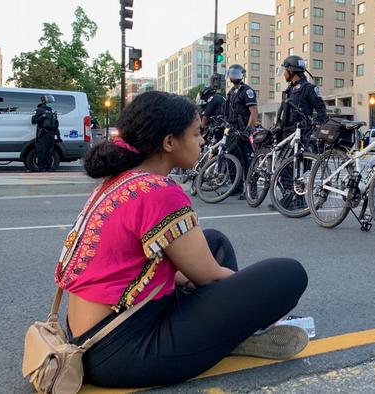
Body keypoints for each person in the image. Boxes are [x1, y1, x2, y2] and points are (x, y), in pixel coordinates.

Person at [56, 91, 309, 388]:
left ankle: (224, 336)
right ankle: (233, 335)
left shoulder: (122, 180)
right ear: (169, 142)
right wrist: (253, 304)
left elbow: (130, 265)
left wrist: (203, 287)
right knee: (287, 275)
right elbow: (212, 278)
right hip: (122, 350)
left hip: (95, 332)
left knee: (214, 243)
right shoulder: (159, 191)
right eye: (196, 133)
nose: (202, 141)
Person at [274, 55, 328, 210]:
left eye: (285, 70)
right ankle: (288, 194)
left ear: (291, 71)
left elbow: (321, 109)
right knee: (282, 166)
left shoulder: (309, 88)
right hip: (286, 132)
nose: (283, 73)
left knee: (298, 167)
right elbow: (283, 111)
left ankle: (297, 198)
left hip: (302, 133)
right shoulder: (289, 89)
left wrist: (318, 124)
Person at [224, 64, 258, 199]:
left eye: (236, 73)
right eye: (232, 73)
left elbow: (254, 111)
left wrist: (248, 129)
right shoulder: (231, 92)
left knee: (247, 160)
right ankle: (235, 187)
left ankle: (251, 190)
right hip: (232, 130)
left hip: (243, 130)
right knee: (232, 159)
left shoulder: (247, 91)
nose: (233, 76)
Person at [31, 95, 62, 172]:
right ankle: (41, 168)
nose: (51, 104)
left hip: (51, 135)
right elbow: (33, 121)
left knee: (50, 152)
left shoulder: (52, 111)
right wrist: (42, 117)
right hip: (43, 134)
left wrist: (58, 136)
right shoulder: (39, 110)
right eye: (50, 102)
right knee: (42, 151)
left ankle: (48, 167)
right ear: (44, 102)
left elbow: (56, 125)